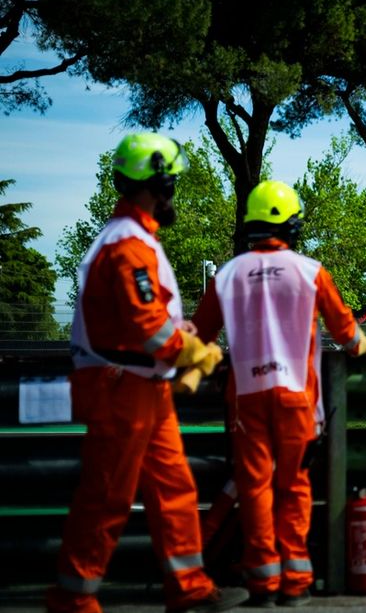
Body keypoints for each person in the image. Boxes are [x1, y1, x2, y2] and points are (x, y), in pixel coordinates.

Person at [48, 133, 248, 613]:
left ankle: (189, 588)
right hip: (122, 387)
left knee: (173, 488)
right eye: (172, 182)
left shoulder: (132, 241)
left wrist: (181, 338)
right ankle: (73, 599)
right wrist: (194, 351)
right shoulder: (129, 246)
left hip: (139, 386)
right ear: (159, 185)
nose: (173, 191)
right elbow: (148, 329)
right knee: (107, 496)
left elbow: (147, 321)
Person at [192, 181, 366, 608]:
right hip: (298, 399)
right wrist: (364, 348)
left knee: (254, 488)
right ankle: (295, 582)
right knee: (294, 486)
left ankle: (263, 582)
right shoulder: (310, 272)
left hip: (246, 398)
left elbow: (198, 337)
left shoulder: (226, 275)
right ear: (291, 224)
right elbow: (347, 334)